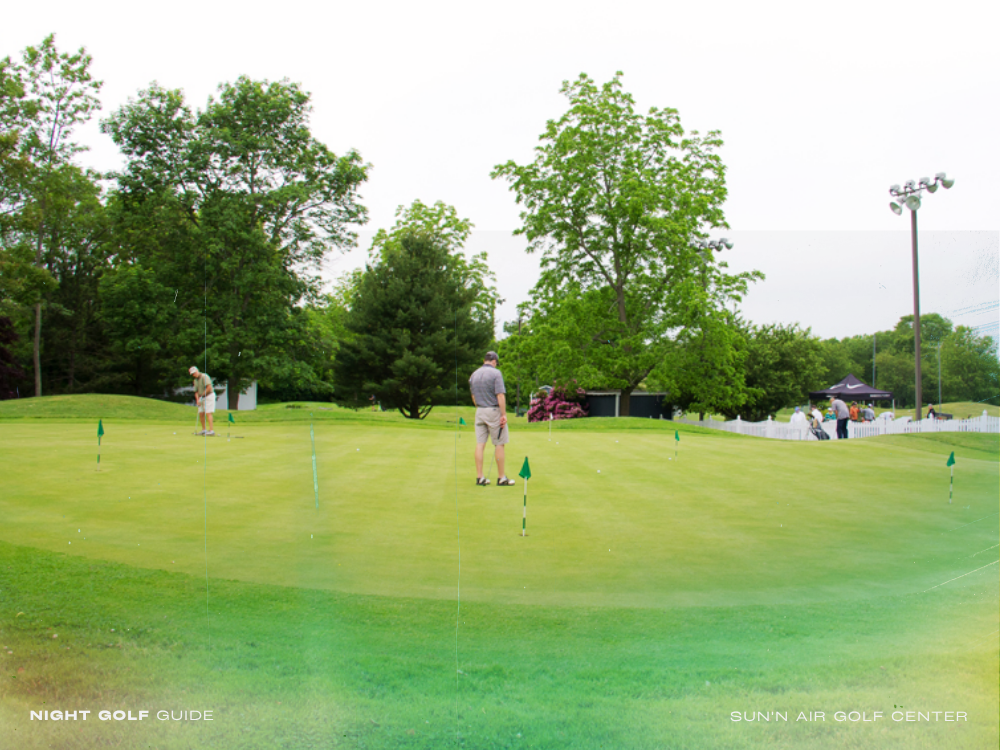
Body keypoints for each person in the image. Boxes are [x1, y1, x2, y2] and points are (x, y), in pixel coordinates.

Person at [469, 351, 513, 486]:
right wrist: (503, 414)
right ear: (494, 361)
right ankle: (501, 478)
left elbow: (473, 397)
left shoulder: (474, 374)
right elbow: (500, 395)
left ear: (484, 360)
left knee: (480, 443)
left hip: (479, 410)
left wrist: (479, 407)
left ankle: (480, 477)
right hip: (493, 410)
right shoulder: (496, 373)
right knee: (499, 443)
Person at [189, 366, 215, 436]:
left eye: (194, 373)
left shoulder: (204, 376)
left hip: (209, 396)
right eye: (192, 374)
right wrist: (197, 400)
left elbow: (209, 388)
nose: (194, 374)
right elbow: (196, 392)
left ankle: (211, 431)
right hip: (201, 397)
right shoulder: (195, 380)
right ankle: (204, 430)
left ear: (197, 371)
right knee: (201, 413)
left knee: (208, 413)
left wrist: (202, 396)